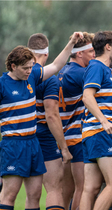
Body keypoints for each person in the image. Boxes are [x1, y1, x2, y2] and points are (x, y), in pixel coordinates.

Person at [0, 32, 82, 210]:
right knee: (10, 194)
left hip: (33, 143)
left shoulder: (31, 76)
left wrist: (71, 43)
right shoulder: (2, 84)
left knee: (35, 194)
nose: (30, 71)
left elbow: (56, 65)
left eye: (31, 67)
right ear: (13, 66)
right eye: (25, 68)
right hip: (13, 144)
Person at [79, 30, 112, 209]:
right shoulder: (96, 67)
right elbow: (87, 97)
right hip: (101, 132)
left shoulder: (103, 69)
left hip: (90, 133)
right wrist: (103, 120)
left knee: (91, 188)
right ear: (108, 46)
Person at [27, 33, 73, 210]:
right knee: (54, 188)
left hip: (24, 136)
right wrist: (64, 147)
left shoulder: (21, 75)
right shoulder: (49, 79)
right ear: (46, 53)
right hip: (44, 137)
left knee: (32, 194)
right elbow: (52, 115)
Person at [58, 32, 95, 210]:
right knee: (83, 187)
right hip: (78, 137)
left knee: (67, 190)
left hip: (64, 137)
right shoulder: (81, 73)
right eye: (91, 51)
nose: (94, 55)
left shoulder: (61, 71)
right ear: (79, 53)